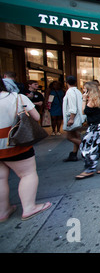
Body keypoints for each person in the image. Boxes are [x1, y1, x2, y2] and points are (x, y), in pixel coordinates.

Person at [0, 78, 52, 222]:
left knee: (1, 178)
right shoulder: (17, 98)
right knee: (27, 174)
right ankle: (29, 207)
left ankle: (3, 210)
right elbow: (35, 117)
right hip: (15, 143)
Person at [75, 82, 100, 179]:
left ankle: (90, 169)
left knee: (86, 147)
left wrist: (83, 100)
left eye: (84, 89)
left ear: (88, 90)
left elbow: (84, 112)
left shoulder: (91, 101)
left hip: (95, 127)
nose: (83, 91)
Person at [62, 75, 85, 162]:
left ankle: (86, 148)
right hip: (78, 116)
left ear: (66, 82)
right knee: (76, 135)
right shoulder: (78, 91)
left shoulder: (70, 92)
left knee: (69, 136)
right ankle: (74, 154)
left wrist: (71, 118)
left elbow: (72, 107)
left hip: (73, 117)